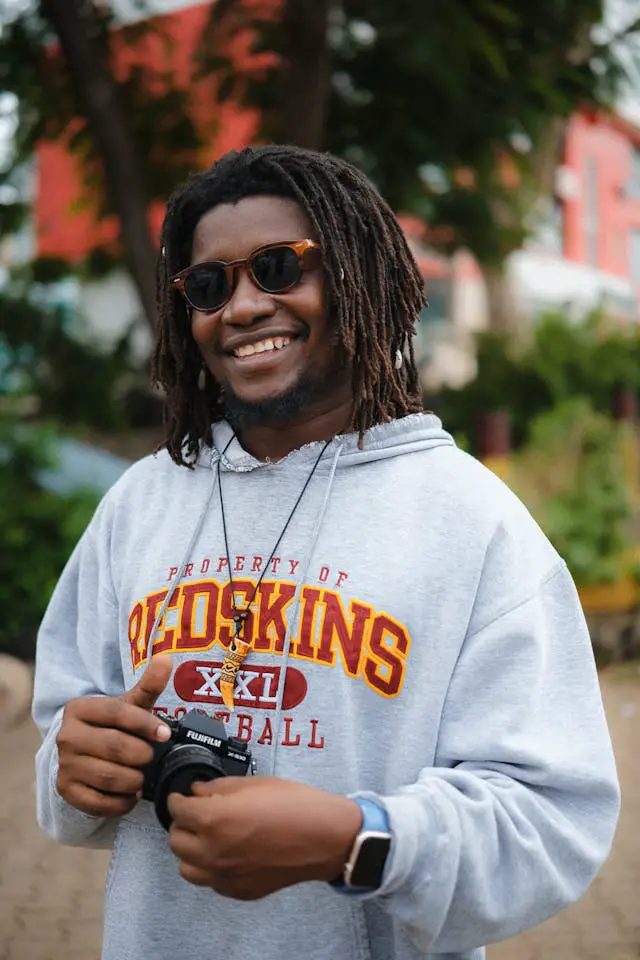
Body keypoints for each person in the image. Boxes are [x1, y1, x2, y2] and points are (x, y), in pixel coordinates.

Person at [32, 144, 619, 960]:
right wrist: (76, 772)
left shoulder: (472, 520)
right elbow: (65, 734)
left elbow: (552, 821)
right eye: (209, 285)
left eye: (279, 268)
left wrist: (357, 839)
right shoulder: (143, 501)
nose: (240, 308)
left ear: (356, 279)